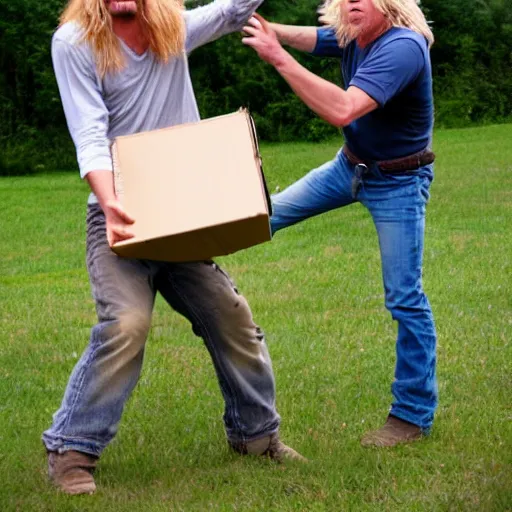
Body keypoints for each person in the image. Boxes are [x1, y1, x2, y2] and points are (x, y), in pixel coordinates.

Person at [43, 0, 304, 496]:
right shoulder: (75, 42)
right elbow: (90, 134)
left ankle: (257, 437)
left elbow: (233, 10)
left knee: (232, 316)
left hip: (181, 219)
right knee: (126, 324)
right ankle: (69, 451)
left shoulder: (172, 28)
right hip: (118, 218)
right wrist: (112, 202)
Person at [242, 0, 438, 447]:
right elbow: (310, 37)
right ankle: (181, 258)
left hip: (399, 181)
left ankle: (412, 415)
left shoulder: (403, 46)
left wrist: (276, 55)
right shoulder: (355, 33)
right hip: (348, 167)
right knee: (261, 218)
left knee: (405, 297)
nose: (353, 2)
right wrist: (266, 27)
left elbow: (344, 109)